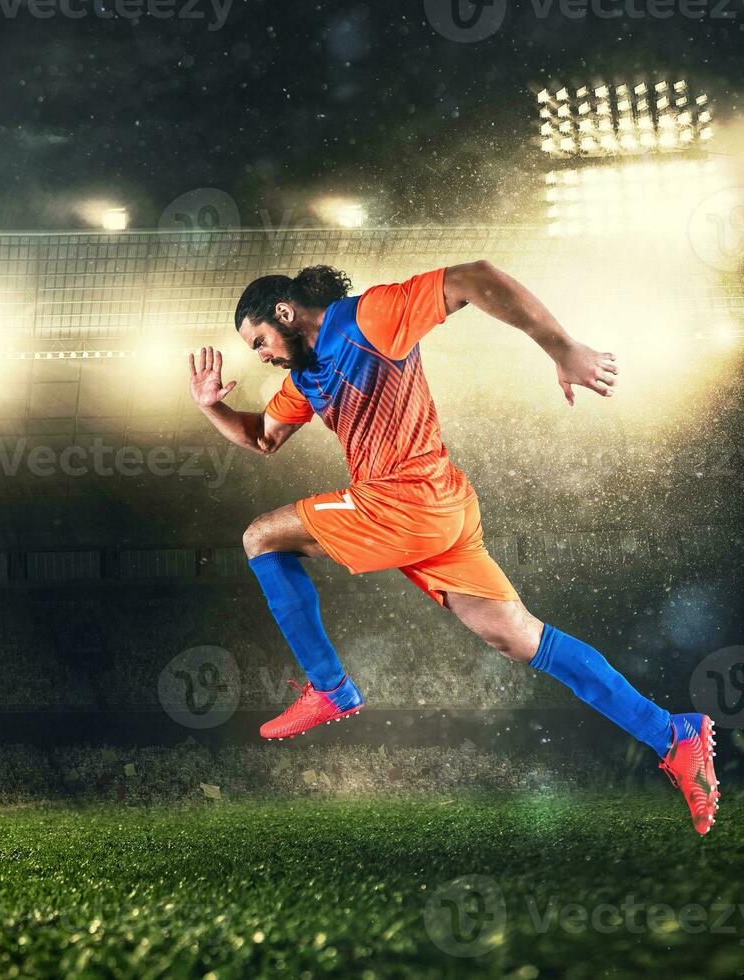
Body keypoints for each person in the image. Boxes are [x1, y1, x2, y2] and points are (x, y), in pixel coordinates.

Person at [189, 262, 718, 834]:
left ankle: (329, 687)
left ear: (285, 314)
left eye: (259, 341)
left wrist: (561, 348)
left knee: (260, 537)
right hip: (436, 508)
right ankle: (672, 734)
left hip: (406, 499)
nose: (260, 355)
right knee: (520, 638)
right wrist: (211, 406)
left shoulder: (371, 315)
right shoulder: (304, 379)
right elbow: (263, 438)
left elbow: (473, 277)